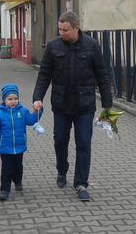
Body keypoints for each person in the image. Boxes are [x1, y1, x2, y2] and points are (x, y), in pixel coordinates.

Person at [32, 11, 112, 202]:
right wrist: (37, 98)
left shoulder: (91, 46)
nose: (62, 33)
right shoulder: (53, 47)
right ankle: (62, 170)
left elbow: (102, 76)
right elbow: (44, 75)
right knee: (60, 141)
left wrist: (107, 106)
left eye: (65, 30)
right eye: (59, 29)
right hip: (61, 105)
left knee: (83, 144)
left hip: (85, 105)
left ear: (76, 28)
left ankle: (81, 183)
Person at [0, 83, 42, 201]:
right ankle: (4, 190)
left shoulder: (22, 111)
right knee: (6, 169)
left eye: (16, 99)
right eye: (10, 99)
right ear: (4, 100)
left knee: (18, 167)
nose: (13, 101)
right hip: (5, 148)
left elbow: (32, 120)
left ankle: (18, 181)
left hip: (19, 146)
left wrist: (38, 111)